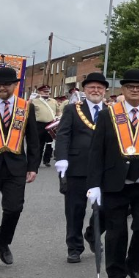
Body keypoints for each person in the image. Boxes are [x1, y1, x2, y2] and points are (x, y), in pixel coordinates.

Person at [86, 69, 139, 278]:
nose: (135, 90)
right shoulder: (108, 114)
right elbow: (97, 150)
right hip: (115, 184)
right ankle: (115, 275)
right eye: (130, 87)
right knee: (116, 234)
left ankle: (133, 265)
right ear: (123, 89)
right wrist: (94, 185)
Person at [0, 67, 39, 274]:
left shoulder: (26, 107)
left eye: (7, 84)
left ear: (15, 86)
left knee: (14, 208)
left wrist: (33, 166)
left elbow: (33, 140)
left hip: (16, 167)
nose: (2, 87)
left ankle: (3, 241)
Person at [55, 71, 108, 263]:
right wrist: (61, 158)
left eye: (99, 87)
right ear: (84, 90)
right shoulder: (73, 109)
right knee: (75, 210)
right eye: (91, 87)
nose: (96, 90)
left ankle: (92, 234)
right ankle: (74, 247)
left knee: (104, 209)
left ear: (105, 91)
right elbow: (63, 135)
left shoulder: (110, 111)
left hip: (103, 169)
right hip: (77, 167)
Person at [30, 84, 59, 167]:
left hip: (51, 124)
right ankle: (37, 161)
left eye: (48, 92)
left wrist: (58, 117)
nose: (47, 93)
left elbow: (58, 111)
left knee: (50, 143)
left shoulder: (53, 101)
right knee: (39, 144)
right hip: (39, 124)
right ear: (39, 92)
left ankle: (47, 160)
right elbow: (27, 110)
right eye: (44, 92)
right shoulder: (34, 101)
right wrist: (30, 100)